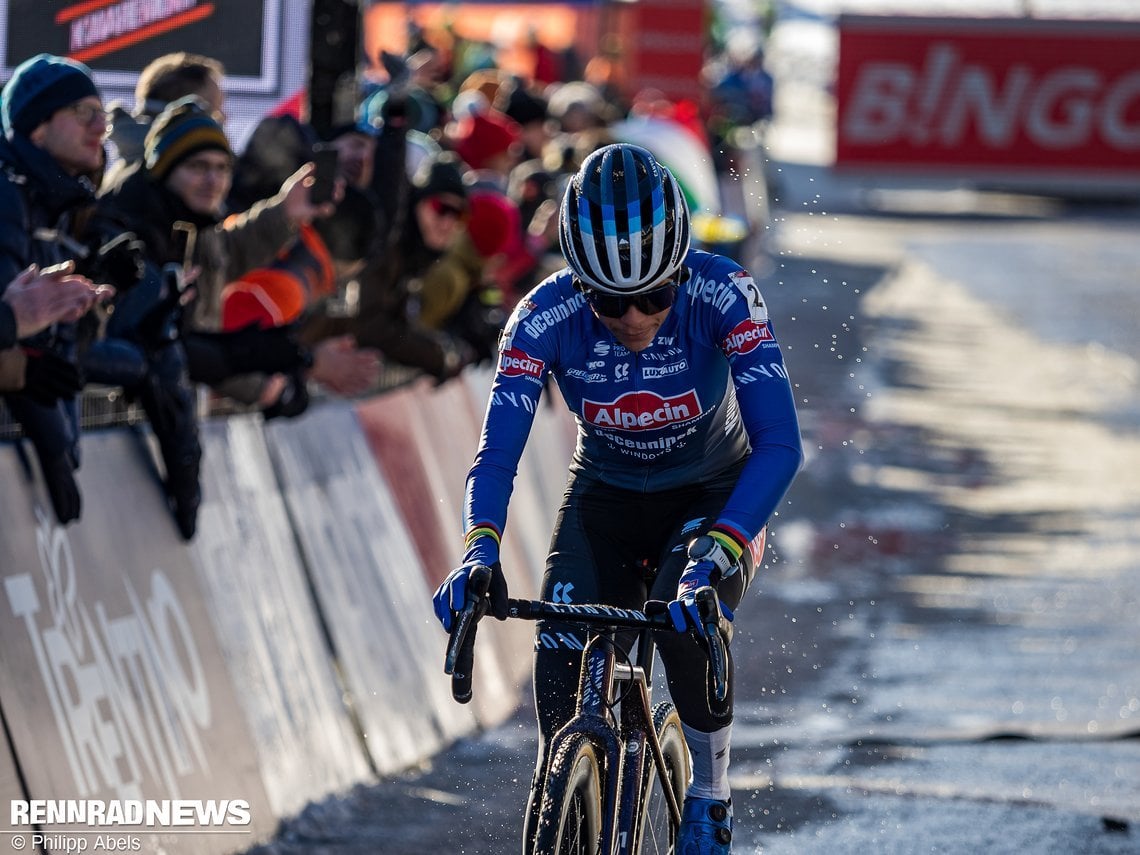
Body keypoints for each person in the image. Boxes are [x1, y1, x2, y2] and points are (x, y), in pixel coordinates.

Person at [432, 144, 803, 854]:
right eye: (609, 300)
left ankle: (709, 793)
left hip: (711, 495)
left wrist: (722, 546)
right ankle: (576, 798)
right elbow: (496, 452)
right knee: (557, 664)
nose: (634, 318)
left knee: (683, 625)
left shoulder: (724, 294)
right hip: (603, 492)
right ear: (579, 283)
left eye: (655, 296)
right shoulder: (543, 314)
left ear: (680, 273)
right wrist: (478, 547)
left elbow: (780, 445)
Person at [0, 53, 110, 523]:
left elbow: (49, 334)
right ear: (37, 128)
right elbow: (16, 333)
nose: (101, 126)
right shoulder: (7, 192)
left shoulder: (52, 200)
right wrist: (57, 447)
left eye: (102, 113)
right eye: (84, 113)